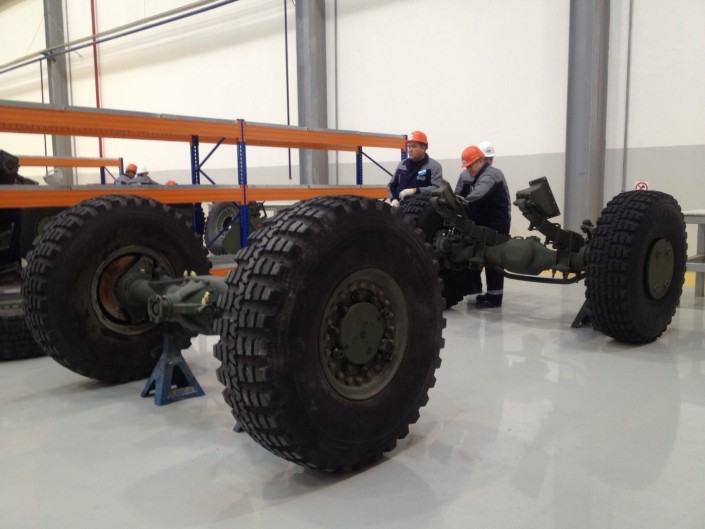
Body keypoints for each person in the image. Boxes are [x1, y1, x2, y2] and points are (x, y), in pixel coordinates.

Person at [458, 144, 511, 308]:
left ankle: (495, 298)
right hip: (481, 222)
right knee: (479, 255)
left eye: (470, 165)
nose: (468, 170)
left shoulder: (491, 175)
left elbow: (478, 194)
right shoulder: (469, 175)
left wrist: (461, 203)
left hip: (496, 223)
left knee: (494, 258)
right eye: (466, 166)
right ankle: (477, 289)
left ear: (480, 161)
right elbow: (458, 194)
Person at [387, 130, 443, 206]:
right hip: (401, 207)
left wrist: (415, 191)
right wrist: (393, 199)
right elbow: (391, 185)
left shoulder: (433, 166)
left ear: (423, 148)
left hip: (422, 208)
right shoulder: (402, 165)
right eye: (409, 146)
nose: (410, 150)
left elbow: (436, 188)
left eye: (413, 146)